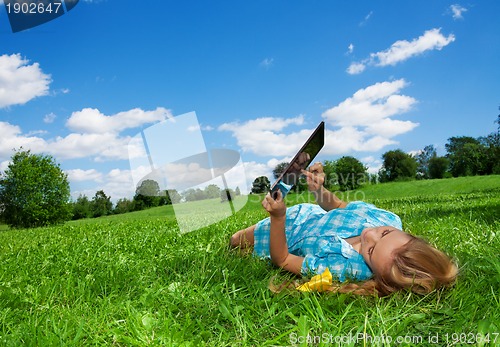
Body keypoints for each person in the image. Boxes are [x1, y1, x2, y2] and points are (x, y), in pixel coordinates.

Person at [230, 162, 458, 296]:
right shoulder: (385, 218)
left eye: (370, 251)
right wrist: (319, 190)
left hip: (283, 235)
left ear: (377, 276)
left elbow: (283, 259)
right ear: (407, 234)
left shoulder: (346, 268)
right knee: (235, 241)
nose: (370, 235)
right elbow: (337, 206)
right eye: (384, 233)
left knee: (235, 240)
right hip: (306, 214)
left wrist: (278, 218)